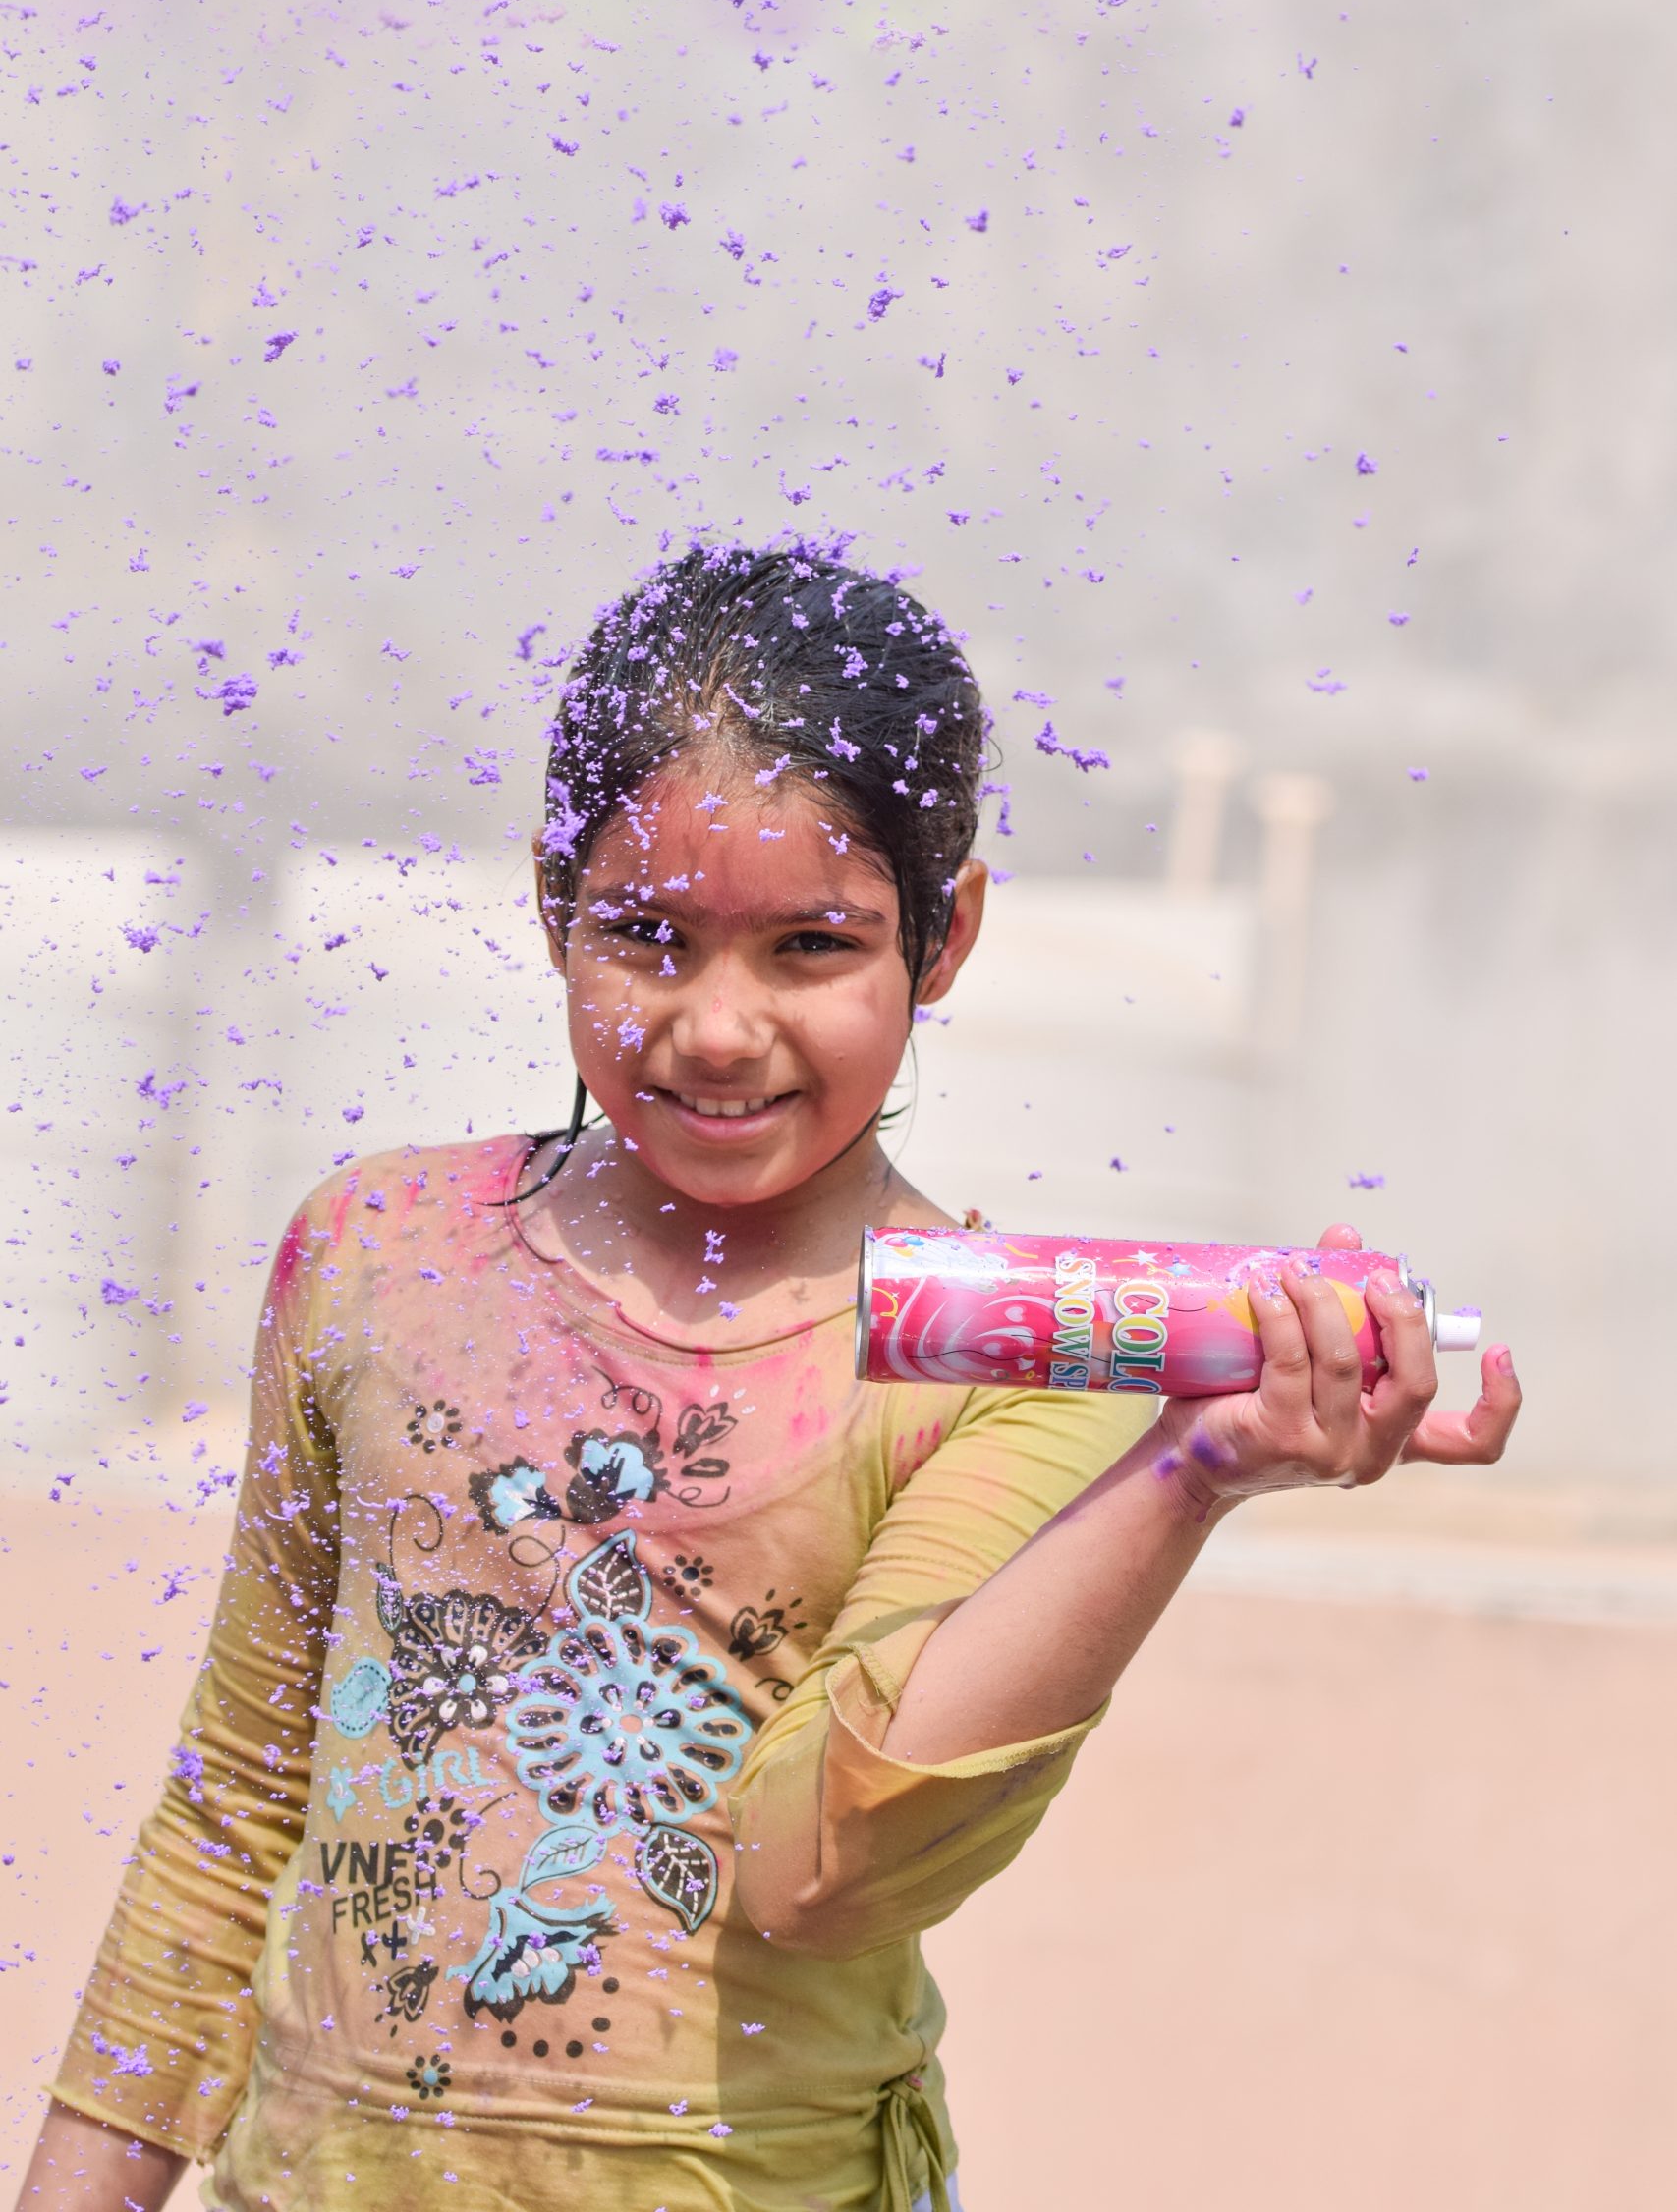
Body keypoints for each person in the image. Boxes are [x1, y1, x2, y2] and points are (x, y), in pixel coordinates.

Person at [17, 541, 1520, 2212]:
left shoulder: (1002, 1353)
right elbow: (236, 1809)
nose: (720, 1029)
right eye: (647, 936)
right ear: (548, 906)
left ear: (940, 938)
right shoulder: (379, 1254)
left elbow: (824, 1863)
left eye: (812, 947)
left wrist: (1194, 1473)